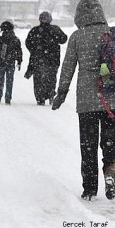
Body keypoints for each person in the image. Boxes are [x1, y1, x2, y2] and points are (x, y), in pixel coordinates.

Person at [51, 0, 115, 201]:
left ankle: (89, 189)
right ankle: (111, 174)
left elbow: (68, 67)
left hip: (87, 100)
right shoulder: (111, 33)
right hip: (110, 98)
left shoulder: (77, 37)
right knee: (110, 143)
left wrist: (61, 93)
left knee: (88, 145)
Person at [25, 11, 68, 105]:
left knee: (38, 80)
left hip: (38, 60)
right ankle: (50, 94)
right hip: (53, 60)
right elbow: (64, 39)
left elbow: (28, 43)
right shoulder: (55, 29)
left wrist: (34, 51)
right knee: (51, 79)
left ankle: (40, 98)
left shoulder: (35, 30)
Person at [0, 21, 22, 105]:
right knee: (9, 81)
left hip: (1, 62)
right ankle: (8, 97)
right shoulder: (16, 40)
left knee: (0, 80)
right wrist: (19, 61)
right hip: (11, 63)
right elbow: (19, 52)